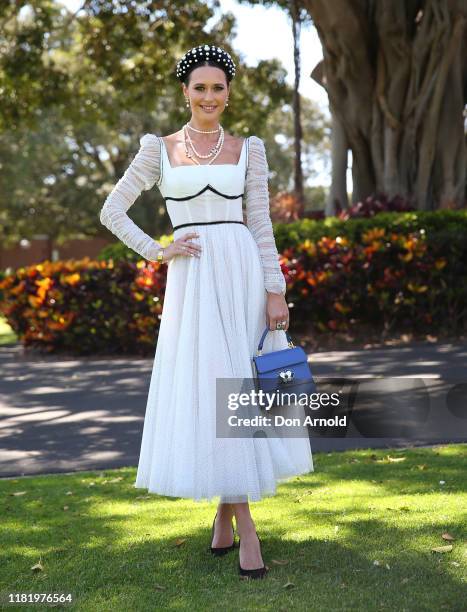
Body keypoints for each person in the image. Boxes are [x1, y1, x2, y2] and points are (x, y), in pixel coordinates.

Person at [99, 44, 313, 580]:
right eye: (200, 88)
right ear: (185, 92)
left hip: (243, 275)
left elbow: (261, 226)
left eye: (218, 88)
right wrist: (158, 249)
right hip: (193, 281)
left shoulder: (249, 149)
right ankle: (247, 529)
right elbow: (111, 210)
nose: (210, 97)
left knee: (241, 391)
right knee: (215, 389)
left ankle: (225, 514)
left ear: (228, 93)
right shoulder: (160, 149)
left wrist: (275, 289)